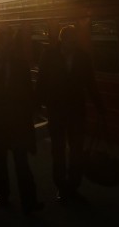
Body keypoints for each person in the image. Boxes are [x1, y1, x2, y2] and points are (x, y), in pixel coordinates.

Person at [0, 28, 43, 214]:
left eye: (9, 44)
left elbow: (28, 91)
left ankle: (30, 200)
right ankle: (3, 194)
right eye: (3, 44)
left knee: (22, 162)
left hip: (18, 120)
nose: (6, 47)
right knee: (0, 161)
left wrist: (35, 109)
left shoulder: (21, 65)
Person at [36, 24, 104, 202]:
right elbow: (41, 81)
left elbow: (90, 83)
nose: (72, 43)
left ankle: (73, 186)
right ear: (62, 39)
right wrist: (37, 105)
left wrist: (99, 107)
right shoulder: (49, 56)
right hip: (56, 110)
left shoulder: (83, 58)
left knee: (76, 150)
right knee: (57, 150)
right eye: (69, 40)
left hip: (76, 111)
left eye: (74, 40)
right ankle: (60, 185)